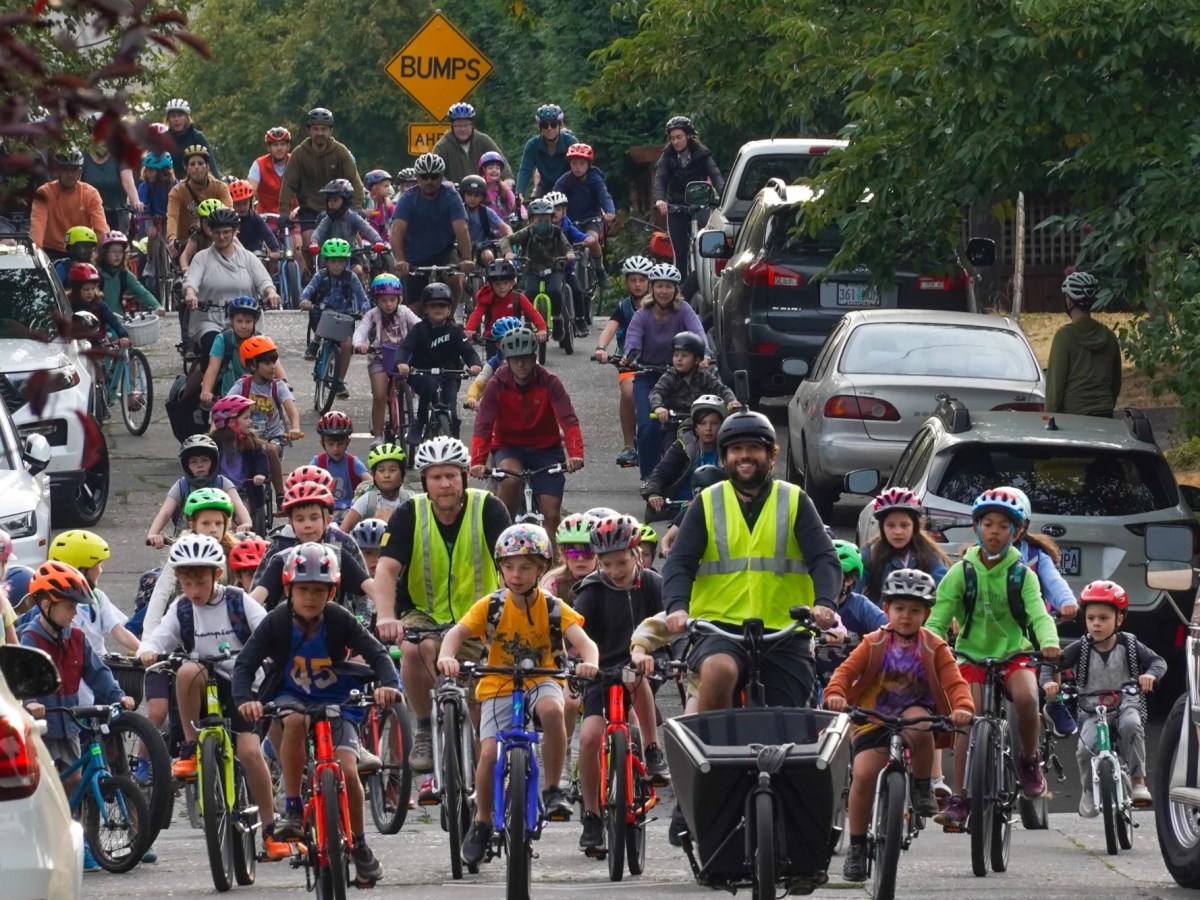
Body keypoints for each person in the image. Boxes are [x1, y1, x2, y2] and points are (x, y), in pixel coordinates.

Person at [234, 542, 399, 885]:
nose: (310, 598)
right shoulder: (276, 621)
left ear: (332, 592)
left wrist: (388, 684)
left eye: (319, 591)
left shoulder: (340, 619)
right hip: (291, 695)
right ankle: (293, 807)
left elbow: (377, 653)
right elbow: (245, 664)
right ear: (289, 589)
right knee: (293, 720)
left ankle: (360, 844)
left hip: (337, 700)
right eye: (303, 590)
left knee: (349, 770)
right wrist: (243, 699)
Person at [437, 523, 600, 864]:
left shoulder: (553, 606)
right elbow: (457, 633)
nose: (516, 574)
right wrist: (446, 656)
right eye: (509, 566)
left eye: (526, 567)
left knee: (554, 712)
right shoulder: (491, 605)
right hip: (497, 681)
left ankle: (554, 789)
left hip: (543, 677)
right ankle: (482, 820)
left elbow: (586, 644)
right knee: (488, 755)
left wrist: (589, 663)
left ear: (542, 569)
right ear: (500, 569)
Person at [661, 410, 841, 709]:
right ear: (723, 458)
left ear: (772, 456)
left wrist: (825, 603)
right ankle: (716, 751)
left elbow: (824, 558)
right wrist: (677, 608)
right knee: (718, 671)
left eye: (754, 448)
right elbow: (679, 563)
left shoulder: (795, 499)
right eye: (736, 449)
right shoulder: (708, 502)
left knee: (792, 723)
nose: (745, 456)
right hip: (719, 628)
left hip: (786, 631)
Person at [135, 534, 290, 858]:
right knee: (188, 668)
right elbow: (159, 637)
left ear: (217, 575)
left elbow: (267, 629)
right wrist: (148, 651)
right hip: (206, 685)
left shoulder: (237, 600)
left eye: (200, 582)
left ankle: (271, 829)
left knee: (249, 752)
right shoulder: (182, 609)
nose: (193, 590)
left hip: (244, 684)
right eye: (186, 582)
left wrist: (273, 655)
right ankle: (191, 746)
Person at [371, 436, 512, 774]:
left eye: (451, 475)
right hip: (424, 612)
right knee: (411, 650)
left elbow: (511, 564)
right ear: (425, 482)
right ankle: (423, 727)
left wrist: (507, 607)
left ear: (464, 476)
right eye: (436, 477)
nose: (445, 484)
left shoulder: (489, 508)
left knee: (481, 707)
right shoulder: (409, 513)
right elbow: (386, 570)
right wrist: (387, 616)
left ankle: (484, 784)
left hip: (482, 616)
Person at [823, 569, 975, 882]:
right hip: (873, 715)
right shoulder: (873, 641)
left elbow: (955, 682)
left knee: (920, 727)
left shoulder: (934, 646)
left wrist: (963, 707)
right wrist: (836, 693)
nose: (906, 617)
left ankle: (921, 787)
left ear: (927, 614)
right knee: (863, 774)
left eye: (915, 610)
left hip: (914, 711)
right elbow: (844, 672)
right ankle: (857, 846)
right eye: (899, 609)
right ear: (887, 609)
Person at [927, 488, 1062, 829]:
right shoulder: (962, 572)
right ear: (976, 528)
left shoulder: (1022, 574)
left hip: (1013, 653)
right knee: (964, 720)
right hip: (971, 654)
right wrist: (927, 645)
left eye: (1004, 526)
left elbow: (1038, 615)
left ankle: (1029, 761)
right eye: (988, 524)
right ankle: (959, 797)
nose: (994, 531)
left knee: (1028, 697)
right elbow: (939, 615)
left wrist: (1048, 642)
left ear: (1016, 533)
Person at [19, 561, 136, 873]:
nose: (74, 613)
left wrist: (116, 695)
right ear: (46, 606)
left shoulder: (77, 638)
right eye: (69, 607)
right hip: (40, 729)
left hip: (69, 723)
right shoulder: (30, 640)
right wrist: (30, 702)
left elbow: (97, 673)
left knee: (76, 783)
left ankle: (78, 844)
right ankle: (40, 840)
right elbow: (21, 678)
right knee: (46, 786)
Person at [573, 514, 668, 852]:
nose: (615, 571)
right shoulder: (592, 589)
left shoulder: (654, 585)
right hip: (599, 674)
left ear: (637, 555)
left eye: (622, 562)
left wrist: (675, 657)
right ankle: (592, 814)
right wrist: (576, 659)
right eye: (607, 564)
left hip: (643, 669)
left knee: (635, 675)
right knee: (588, 738)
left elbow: (672, 625)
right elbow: (575, 629)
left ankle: (654, 751)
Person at [1042, 580, 1165, 813]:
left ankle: (1139, 782)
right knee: (1084, 748)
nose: (1096, 624)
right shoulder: (1081, 647)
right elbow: (1051, 665)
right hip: (1091, 709)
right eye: (1091, 618)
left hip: (1125, 704)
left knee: (1131, 725)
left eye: (1104, 618)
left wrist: (1149, 676)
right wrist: (1048, 682)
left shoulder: (1129, 644)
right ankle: (1089, 791)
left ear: (1119, 619)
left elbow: (1157, 662)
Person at [470, 327, 585, 545]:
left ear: (534, 358)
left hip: (546, 449)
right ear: (507, 360)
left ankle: (553, 566)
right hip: (509, 447)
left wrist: (575, 454)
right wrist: (477, 462)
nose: (520, 365)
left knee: (551, 513)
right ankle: (500, 539)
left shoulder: (550, 381)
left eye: (525, 359)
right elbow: (483, 425)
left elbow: (568, 420)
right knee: (511, 478)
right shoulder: (496, 383)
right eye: (515, 360)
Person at [623, 262, 710, 478]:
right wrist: (630, 357)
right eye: (660, 286)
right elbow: (632, 341)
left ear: (676, 289)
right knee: (648, 426)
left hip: (678, 376)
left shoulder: (684, 310)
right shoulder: (642, 314)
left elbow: (698, 332)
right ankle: (650, 478)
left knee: (690, 421)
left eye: (669, 287)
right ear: (652, 288)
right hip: (647, 376)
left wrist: (705, 354)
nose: (664, 291)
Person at [249, 484, 379, 612]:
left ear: (327, 521)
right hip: (288, 629)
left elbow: (371, 589)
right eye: (300, 519)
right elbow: (254, 601)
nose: (308, 525)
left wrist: (387, 615)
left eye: (314, 517)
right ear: (291, 523)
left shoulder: (339, 557)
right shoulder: (282, 560)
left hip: (334, 628)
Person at [181, 206, 279, 353]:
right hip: (210, 321)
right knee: (215, 350)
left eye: (226, 232)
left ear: (234, 232)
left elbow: (264, 281)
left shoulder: (247, 257)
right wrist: (190, 294)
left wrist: (270, 293)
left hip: (244, 322)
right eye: (217, 233)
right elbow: (191, 281)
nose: (221, 237)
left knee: (263, 356)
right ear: (211, 232)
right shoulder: (202, 258)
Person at [394, 283, 482, 444]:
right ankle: (419, 423)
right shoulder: (419, 329)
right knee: (429, 387)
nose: (438, 308)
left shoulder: (455, 330)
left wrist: (474, 364)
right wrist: (401, 363)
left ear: (449, 309)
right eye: (433, 305)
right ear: (426, 309)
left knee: (451, 409)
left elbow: (468, 351)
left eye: (442, 305)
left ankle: (454, 444)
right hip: (421, 372)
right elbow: (404, 349)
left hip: (449, 374)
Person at [389, 152, 473, 306]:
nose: (429, 181)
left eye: (434, 177)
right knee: (415, 312)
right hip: (413, 256)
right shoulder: (407, 199)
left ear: (441, 177)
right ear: (418, 178)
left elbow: (461, 230)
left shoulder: (451, 196)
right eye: (424, 177)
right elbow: (397, 232)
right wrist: (400, 260)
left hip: (444, 251)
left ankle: (450, 316)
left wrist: (466, 258)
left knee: (454, 277)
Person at [595, 255, 655, 467]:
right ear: (627, 281)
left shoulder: (659, 304)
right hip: (629, 363)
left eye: (642, 280)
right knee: (629, 393)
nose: (638, 285)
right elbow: (610, 329)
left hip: (657, 362)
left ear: (650, 281)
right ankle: (629, 445)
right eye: (633, 280)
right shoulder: (624, 307)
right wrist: (601, 348)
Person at [277, 108, 364, 249]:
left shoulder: (341, 152)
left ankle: (359, 267)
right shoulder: (298, 155)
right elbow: (288, 185)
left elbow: (355, 181)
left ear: (330, 131)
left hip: (338, 210)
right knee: (310, 244)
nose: (320, 133)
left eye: (324, 129)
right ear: (309, 130)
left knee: (351, 247)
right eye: (316, 129)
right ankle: (312, 270)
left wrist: (358, 206)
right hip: (309, 211)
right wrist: (284, 212)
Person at [226, 335, 302, 496]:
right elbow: (226, 407)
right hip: (248, 438)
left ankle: (280, 494)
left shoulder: (278, 386)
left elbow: (291, 410)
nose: (273, 367)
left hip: (274, 437)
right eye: (267, 363)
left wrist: (295, 427)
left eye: (273, 362)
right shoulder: (242, 385)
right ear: (252, 365)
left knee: (271, 449)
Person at [653, 116, 725, 277]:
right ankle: (679, 292)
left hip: (700, 204)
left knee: (711, 247)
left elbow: (716, 175)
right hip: (676, 205)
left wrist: (724, 196)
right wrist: (659, 198)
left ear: (688, 136)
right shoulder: (667, 156)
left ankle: (714, 278)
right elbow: (660, 177)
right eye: (672, 138)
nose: (676, 142)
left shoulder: (702, 153)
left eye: (679, 137)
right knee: (679, 253)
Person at [1045, 270, 1122, 417]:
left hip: (1075, 417)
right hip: (1105, 414)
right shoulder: (1109, 336)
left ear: (1069, 301)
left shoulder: (1064, 337)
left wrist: (1049, 419)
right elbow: (1116, 383)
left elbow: (1055, 389)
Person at [353, 273, 421, 440]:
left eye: (392, 299)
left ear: (399, 298)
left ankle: (414, 407)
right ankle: (377, 436)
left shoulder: (405, 312)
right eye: (383, 300)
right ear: (376, 300)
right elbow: (361, 331)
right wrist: (359, 344)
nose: (388, 304)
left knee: (416, 381)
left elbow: (419, 325)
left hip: (404, 357)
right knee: (379, 396)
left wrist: (426, 337)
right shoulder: (372, 315)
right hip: (379, 357)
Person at [500, 199, 576, 342]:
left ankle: (558, 318)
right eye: (539, 220)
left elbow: (567, 247)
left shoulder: (557, 232)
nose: (542, 223)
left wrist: (569, 254)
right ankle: (528, 322)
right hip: (532, 268)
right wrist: (508, 252)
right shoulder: (527, 232)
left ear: (552, 219)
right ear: (531, 220)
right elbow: (505, 240)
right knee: (530, 293)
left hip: (553, 268)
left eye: (546, 220)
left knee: (555, 291)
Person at [146, 441, 249, 545]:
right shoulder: (181, 486)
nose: (200, 465)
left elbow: (238, 504)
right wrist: (153, 534)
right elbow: (165, 512)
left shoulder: (222, 483)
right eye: (193, 462)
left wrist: (246, 522)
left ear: (213, 462)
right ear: (186, 465)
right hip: (186, 542)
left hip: (220, 539)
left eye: (205, 460)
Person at [858, 488, 951, 602]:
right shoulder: (870, 555)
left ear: (914, 527)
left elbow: (944, 596)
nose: (898, 532)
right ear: (882, 528)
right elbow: (851, 596)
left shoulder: (929, 556)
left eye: (904, 525)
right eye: (891, 525)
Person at [642, 394, 726, 517]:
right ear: (695, 427)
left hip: (721, 511)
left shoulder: (729, 450)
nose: (708, 428)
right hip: (683, 511)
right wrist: (654, 493)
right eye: (703, 423)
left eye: (714, 423)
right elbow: (662, 471)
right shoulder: (683, 445)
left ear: (722, 425)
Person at [649, 331, 737, 448]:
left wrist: (731, 401)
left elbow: (721, 389)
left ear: (697, 360)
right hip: (674, 426)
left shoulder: (705, 376)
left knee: (723, 446)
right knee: (671, 452)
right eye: (676, 355)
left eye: (684, 355)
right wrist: (658, 407)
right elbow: (657, 392)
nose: (679, 359)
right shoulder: (669, 377)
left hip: (701, 424)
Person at [300, 237, 370, 382]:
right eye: (333, 262)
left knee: (347, 346)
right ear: (326, 262)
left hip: (345, 316)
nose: (337, 266)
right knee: (323, 316)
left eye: (341, 261)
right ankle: (316, 342)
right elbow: (308, 290)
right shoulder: (320, 276)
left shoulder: (352, 277)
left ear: (346, 262)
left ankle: (339, 381)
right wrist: (305, 300)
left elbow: (362, 296)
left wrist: (366, 311)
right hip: (322, 315)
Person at [200, 295, 291, 403]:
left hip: (260, 399)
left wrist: (285, 383)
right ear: (232, 321)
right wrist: (206, 391)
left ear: (255, 323)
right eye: (239, 321)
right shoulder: (223, 339)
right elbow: (212, 369)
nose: (243, 326)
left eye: (248, 322)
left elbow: (275, 364)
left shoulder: (263, 340)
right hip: (230, 399)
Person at [30, 149, 108, 256]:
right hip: (52, 251)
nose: (70, 174)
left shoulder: (91, 194)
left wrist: (104, 252)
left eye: (74, 170)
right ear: (57, 171)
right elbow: (38, 225)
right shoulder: (45, 192)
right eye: (65, 169)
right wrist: (36, 251)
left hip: (82, 250)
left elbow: (100, 228)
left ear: (80, 172)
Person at [308, 178, 385, 282]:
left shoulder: (353, 217)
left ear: (346, 201)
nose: (331, 204)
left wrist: (378, 241)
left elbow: (367, 229)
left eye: (335, 200)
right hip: (331, 256)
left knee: (358, 271)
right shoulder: (328, 218)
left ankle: (362, 296)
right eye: (329, 200)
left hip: (351, 254)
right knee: (323, 277)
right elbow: (319, 231)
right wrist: (314, 242)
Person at [551, 143, 615, 264]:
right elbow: (552, 198)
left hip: (591, 219)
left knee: (592, 240)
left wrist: (610, 212)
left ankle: (599, 269)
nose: (578, 167)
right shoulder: (564, 180)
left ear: (588, 165)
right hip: (570, 221)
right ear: (569, 164)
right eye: (574, 163)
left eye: (582, 163)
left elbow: (605, 197)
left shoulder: (596, 179)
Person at [165, 145, 231, 259]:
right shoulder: (177, 192)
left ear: (207, 166)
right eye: (192, 164)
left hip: (217, 242)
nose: (196, 167)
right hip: (186, 245)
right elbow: (172, 217)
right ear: (186, 168)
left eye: (200, 163)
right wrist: (172, 239)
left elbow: (229, 212)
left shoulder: (220, 187)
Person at [208, 395, 270, 514]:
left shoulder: (249, 441)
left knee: (242, 510)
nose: (250, 421)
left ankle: (242, 528)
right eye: (246, 418)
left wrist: (261, 474)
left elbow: (260, 459)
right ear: (232, 422)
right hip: (217, 489)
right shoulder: (213, 443)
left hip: (243, 489)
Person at [464, 258, 547, 344]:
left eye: (505, 283)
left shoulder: (518, 298)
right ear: (491, 285)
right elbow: (476, 314)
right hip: (492, 340)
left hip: (515, 339)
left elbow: (532, 312)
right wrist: (468, 330)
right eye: (497, 284)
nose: (501, 287)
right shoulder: (487, 297)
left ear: (512, 282)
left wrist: (541, 329)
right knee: (491, 357)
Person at [431, 102, 514, 185]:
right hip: (454, 195)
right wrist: (444, 183)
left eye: (466, 125)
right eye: (459, 126)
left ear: (472, 125)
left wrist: (508, 178)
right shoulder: (442, 146)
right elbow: (435, 171)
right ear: (452, 127)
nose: (463, 129)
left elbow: (500, 159)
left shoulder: (483, 140)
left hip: (484, 193)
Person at [340, 442, 411, 532]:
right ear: (373, 475)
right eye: (381, 470)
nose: (387, 475)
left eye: (392, 470)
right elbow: (342, 531)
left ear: (402, 474)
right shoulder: (368, 500)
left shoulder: (410, 500)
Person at [515, 104, 578, 201]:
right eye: (545, 125)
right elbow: (525, 170)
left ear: (560, 126)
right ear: (540, 128)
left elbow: (580, 168)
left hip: (569, 188)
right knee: (535, 211)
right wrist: (519, 193)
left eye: (553, 125)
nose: (549, 129)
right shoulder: (532, 145)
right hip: (545, 188)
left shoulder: (570, 142)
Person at [310, 410, 367, 513]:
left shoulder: (353, 462)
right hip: (325, 510)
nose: (336, 449)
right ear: (322, 443)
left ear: (347, 442)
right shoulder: (318, 462)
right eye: (330, 444)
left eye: (340, 444)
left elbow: (371, 482)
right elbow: (304, 480)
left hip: (351, 510)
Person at [829, 540, 888, 639]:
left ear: (848, 580)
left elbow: (890, 629)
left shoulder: (860, 606)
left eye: (829, 576)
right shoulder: (808, 603)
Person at [81, 141, 142, 234]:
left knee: (118, 245)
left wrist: (136, 202)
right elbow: (76, 183)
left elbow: (128, 181)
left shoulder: (120, 156)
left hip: (117, 214)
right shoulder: (83, 155)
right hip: (90, 214)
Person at [541, 513, 599, 602]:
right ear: (563, 554)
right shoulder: (553, 583)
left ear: (598, 554)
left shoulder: (608, 580)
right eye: (572, 552)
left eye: (587, 552)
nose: (580, 558)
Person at [459, 174, 511, 263]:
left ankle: (488, 276)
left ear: (482, 197)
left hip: (483, 247)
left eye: (476, 195)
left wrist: (509, 244)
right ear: (463, 195)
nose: (472, 198)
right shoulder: (458, 211)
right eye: (469, 194)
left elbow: (505, 227)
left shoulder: (486, 211)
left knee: (488, 256)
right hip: (461, 247)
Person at [164, 98, 218, 179]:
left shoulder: (197, 137)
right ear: (168, 119)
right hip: (170, 186)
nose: (176, 119)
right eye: (173, 116)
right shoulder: (164, 139)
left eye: (180, 115)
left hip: (195, 184)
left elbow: (211, 165)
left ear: (186, 118)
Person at [247, 125, 292, 217]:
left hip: (293, 218)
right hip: (266, 218)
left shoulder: (296, 161)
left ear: (288, 146)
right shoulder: (258, 164)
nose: (279, 148)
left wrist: (297, 211)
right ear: (269, 148)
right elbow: (250, 192)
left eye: (282, 144)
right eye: (275, 145)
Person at [228, 179, 279, 256]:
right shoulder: (229, 220)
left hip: (255, 252)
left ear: (250, 202)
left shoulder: (255, 218)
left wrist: (275, 249)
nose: (242, 207)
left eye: (245, 204)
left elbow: (267, 234)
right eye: (238, 205)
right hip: (235, 253)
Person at [479, 151, 522, 222]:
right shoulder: (480, 189)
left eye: (497, 168)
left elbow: (514, 201)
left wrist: (521, 211)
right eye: (490, 168)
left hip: (505, 227)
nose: (494, 170)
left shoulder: (504, 188)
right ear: (483, 170)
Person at [362, 169, 395, 236]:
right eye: (385, 186)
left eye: (389, 185)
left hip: (384, 242)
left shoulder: (387, 205)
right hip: (367, 242)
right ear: (374, 188)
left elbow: (397, 216)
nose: (389, 188)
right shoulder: (364, 203)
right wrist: (364, 215)